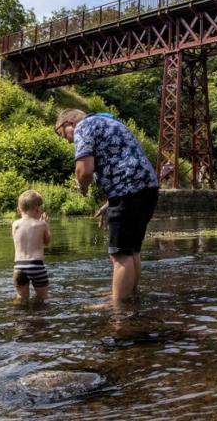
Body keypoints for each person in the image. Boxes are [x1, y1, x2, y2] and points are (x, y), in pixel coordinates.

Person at [55, 109, 159, 306]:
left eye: (62, 135)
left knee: (119, 254)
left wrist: (82, 187)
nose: (67, 141)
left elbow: (84, 171)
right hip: (147, 188)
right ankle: (128, 294)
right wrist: (110, 203)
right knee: (132, 249)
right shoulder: (109, 122)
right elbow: (121, 161)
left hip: (128, 190)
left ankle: (117, 305)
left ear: (68, 123)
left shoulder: (83, 126)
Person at [12, 189, 51, 305]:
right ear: (37, 209)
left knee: (21, 298)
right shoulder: (41, 224)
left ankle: (20, 318)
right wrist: (47, 225)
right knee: (42, 299)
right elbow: (47, 241)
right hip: (36, 266)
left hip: (19, 266)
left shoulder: (15, 224)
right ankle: (38, 319)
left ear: (19, 209)